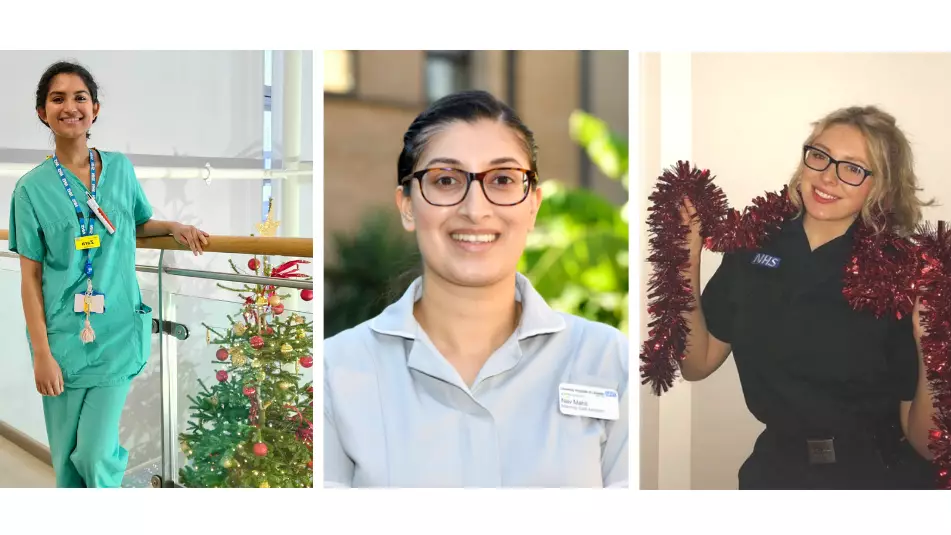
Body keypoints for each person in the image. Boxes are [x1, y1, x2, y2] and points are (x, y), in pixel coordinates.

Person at [323, 90, 628, 488]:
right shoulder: (334, 373)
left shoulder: (609, 361)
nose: (475, 208)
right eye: (446, 180)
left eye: (502, 180)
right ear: (408, 206)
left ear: (533, 205)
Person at [680, 105, 938, 489]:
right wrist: (687, 258)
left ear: (881, 184)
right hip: (777, 471)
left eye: (852, 168)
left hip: (876, 479)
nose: (828, 177)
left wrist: (931, 339)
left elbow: (928, 445)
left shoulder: (900, 273)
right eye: (819, 155)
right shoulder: (754, 246)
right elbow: (696, 363)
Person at [9, 61, 210, 488]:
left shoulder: (118, 168)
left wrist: (172, 226)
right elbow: (30, 277)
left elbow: (132, 224)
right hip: (63, 340)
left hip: (116, 331)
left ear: (95, 109)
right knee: (66, 463)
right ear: (42, 113)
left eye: (80, 97)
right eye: (57, 98)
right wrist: (42, 353)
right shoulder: (30, 190)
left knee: (96, 453)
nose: (70, 106)